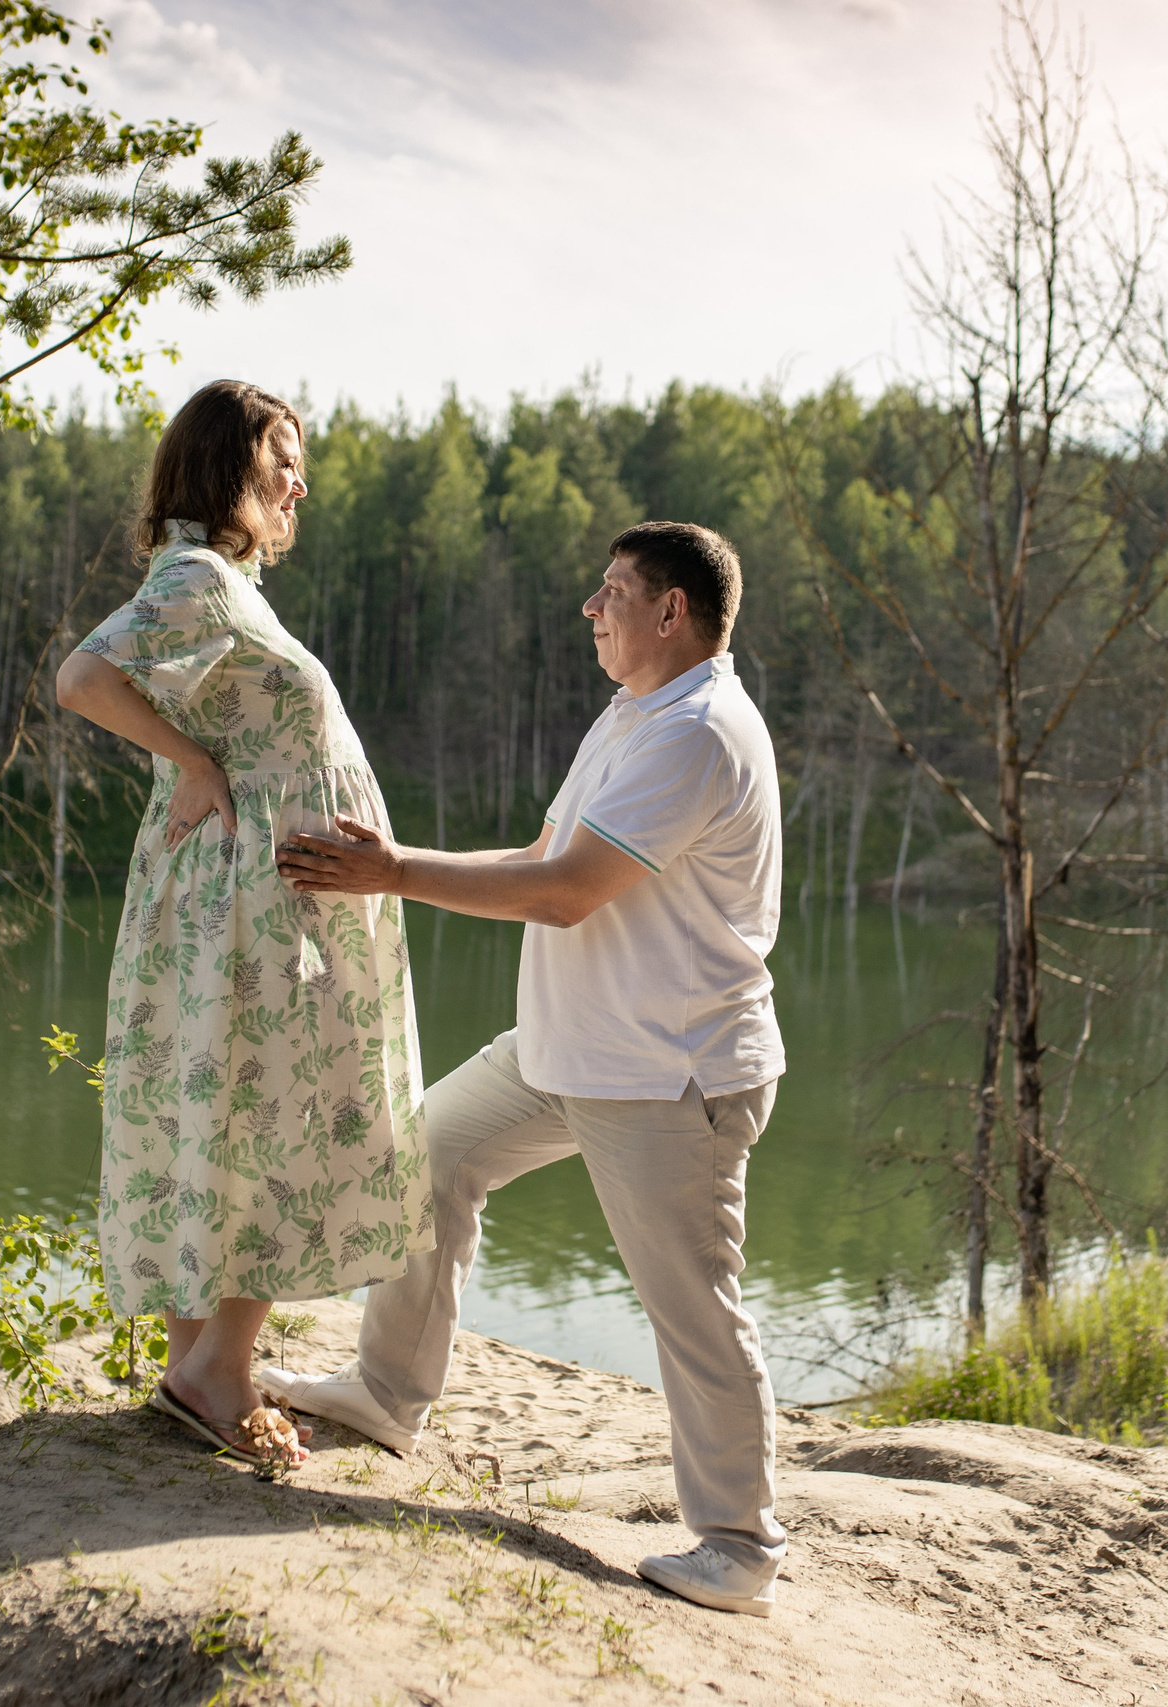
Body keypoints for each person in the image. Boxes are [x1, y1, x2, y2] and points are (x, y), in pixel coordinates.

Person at [269, 521, 787, 1617]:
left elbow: (564, 892)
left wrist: (393, 874)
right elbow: (542, 860)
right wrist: (392, 870)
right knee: (428, 1154)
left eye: (611, 593)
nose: (590, 611)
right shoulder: (633, 717)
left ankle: (738, 1547)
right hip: (570, 1050)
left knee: (691, 1307)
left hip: (665, 1074)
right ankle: (383, 1393)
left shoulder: (696, 733)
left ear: (671, 613)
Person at [56, 379, 431, 1471]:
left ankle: (201, 1368)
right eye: (280, 458)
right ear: (226, 465)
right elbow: (81, 677)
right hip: (255, 909)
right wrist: (196, 761)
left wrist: (204, 759)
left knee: (222, 1110)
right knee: (280, 1110)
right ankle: (216, 1366)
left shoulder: (223, 585)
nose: (297, 481)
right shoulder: (198, 578)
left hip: (246, 898)